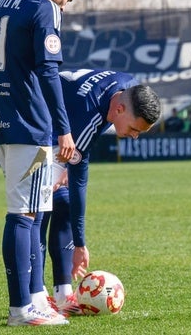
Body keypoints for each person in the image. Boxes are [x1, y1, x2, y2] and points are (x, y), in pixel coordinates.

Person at [0, 0, 87, 327]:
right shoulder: (45, 8)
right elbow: (50, 72)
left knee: (31, 209)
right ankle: (22, 308)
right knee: (24, 214)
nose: (64, 8)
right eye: (68, 0)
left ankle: (35, 297)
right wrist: (63, 129)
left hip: (2, 123)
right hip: (31, 124)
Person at [39, 69, 161, 316]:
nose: (135, 137)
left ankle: (63, 295)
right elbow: (80, 180)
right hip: (36, 124)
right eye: (135, 129)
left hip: (60, 126)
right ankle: (36, 297)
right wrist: (80, 244)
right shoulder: (90, 113)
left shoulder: (129, 87)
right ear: (119, 110)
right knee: (37, 210)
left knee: (62, 204)